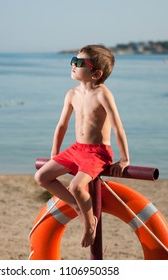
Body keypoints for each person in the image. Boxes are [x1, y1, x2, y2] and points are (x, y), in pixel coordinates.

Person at [34, 45, 130, 248]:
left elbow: (118, 127)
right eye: (73, 60)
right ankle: (76, 206)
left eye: (79, 63)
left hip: (98, 153)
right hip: (76, 148)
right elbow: (62, 125)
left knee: (77, 186)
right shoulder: (71, 94)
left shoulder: (103, 94)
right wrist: (54, 153)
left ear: (96, 73)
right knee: (41, 177)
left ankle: (89, 223)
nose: (73, 65)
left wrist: (125, 159)